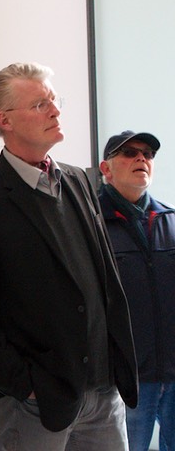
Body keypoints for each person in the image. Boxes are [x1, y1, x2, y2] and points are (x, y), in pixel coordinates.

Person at [0, 62, 137, 451]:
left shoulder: (80, 181)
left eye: (54, 100)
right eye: (40, 104)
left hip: (103, 393)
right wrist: (24, 384)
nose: (54, 110)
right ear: (6, 120)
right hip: (36, 404)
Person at [99, 130, 175, 451]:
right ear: (106, 168)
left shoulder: (170, 221)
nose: (141, 158)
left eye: (148, 154)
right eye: (129, 152)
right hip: (126, 383)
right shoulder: (92, 224)